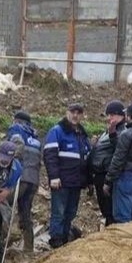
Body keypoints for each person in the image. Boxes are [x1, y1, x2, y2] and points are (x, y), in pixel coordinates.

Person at [43, 102, 91, 248]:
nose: (75, 115)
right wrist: (54, 177)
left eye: (78, 113)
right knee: (59, 212)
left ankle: (64, 239)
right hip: (61, 182)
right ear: (67, 113)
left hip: (76, 182)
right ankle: (56, 241)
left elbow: (87, 160)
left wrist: (88, 181)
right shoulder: (57, 131)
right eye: (72, 112)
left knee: (70, 212)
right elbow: (50, 155)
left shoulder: (82, 135)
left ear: (82, 115)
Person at [86, 100, 127, 228]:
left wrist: (112, 133)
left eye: (113, 114)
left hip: (108, 176)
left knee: (110, 210)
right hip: (99, 175)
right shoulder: (108, 131)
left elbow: (121, 150)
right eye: (108, 115)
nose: (109, 118)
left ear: (122, 116)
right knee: (105, 209)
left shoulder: (122, 131)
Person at [6, 110, 42, 253]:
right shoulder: (36, 138)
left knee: (2, 203)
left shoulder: (16, 128)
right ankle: (28, 248)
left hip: (20, 177)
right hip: (33, 180)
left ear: (17, 120)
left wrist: (11, 163)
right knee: (25, 211)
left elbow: (17, 145)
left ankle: (4, 240)